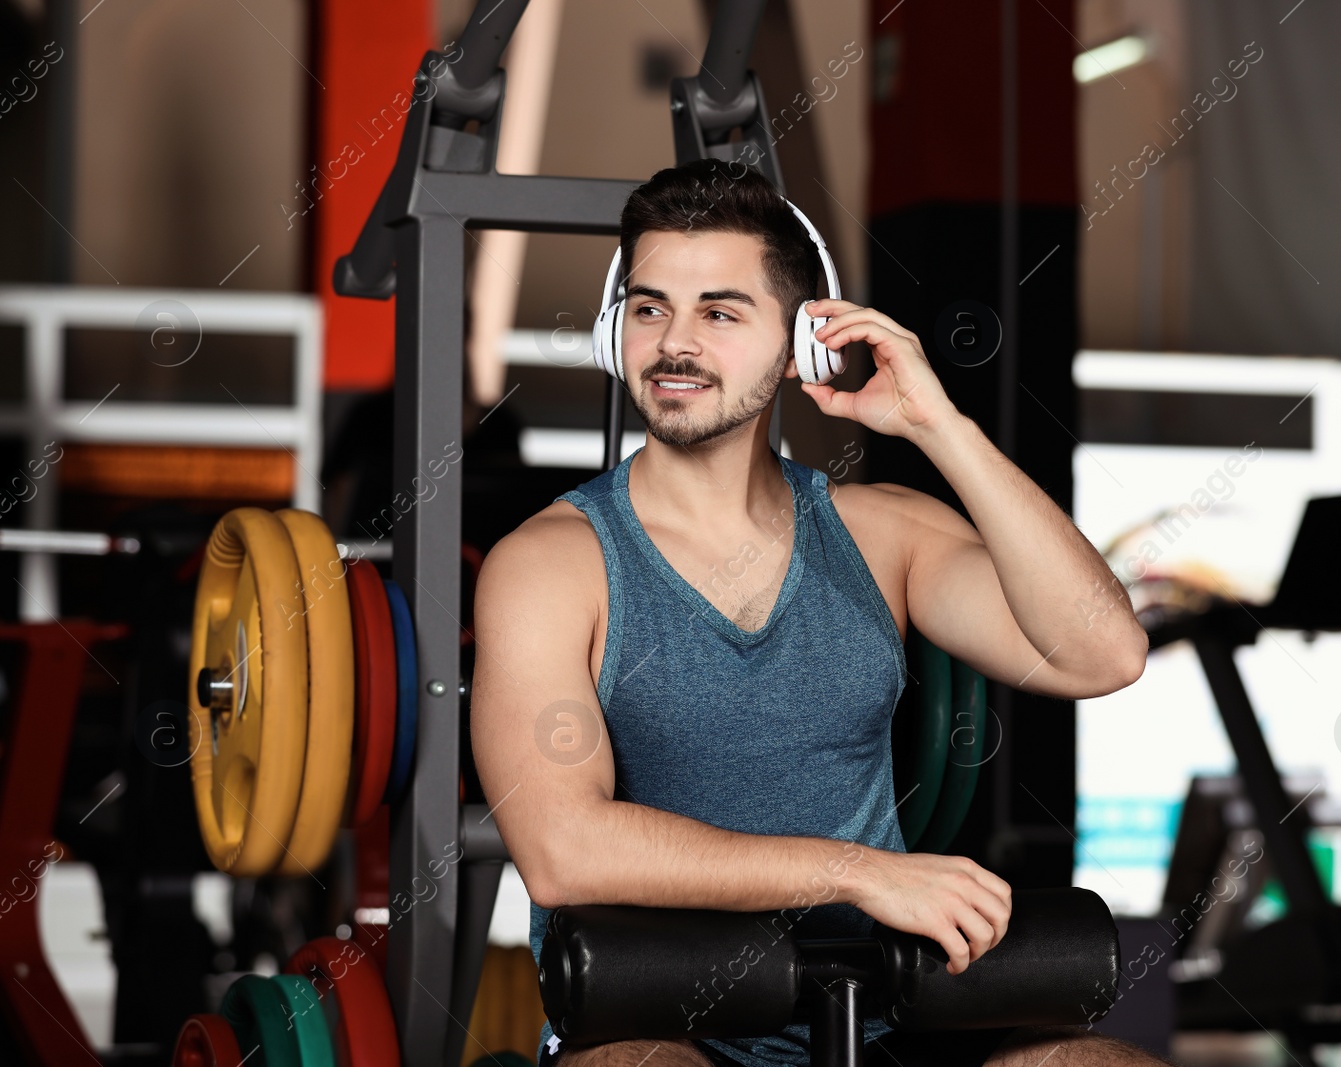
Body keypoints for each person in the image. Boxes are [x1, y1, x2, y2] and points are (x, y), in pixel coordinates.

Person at [470, 158, 1158, 1067]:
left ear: (805, 344)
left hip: (886, 1019)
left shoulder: (884, 535)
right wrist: (857, 871)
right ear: (614, 331)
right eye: (648, 308)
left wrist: (936, 424)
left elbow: (1103, 653)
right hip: (661, 1024)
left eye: (719, 312)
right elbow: (563, 848)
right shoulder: (550, 566)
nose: (675, 343)